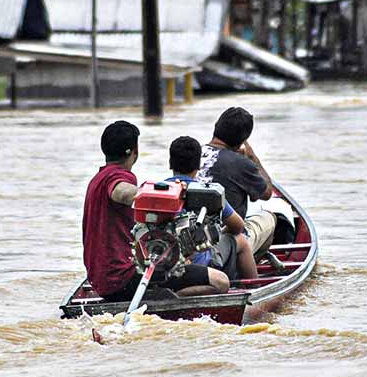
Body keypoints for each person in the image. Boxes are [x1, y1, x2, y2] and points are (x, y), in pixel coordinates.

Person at [82, 121, 228, 302]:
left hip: (101, 280)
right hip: (124, 278)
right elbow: (120, 191)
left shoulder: (96, 179)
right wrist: (165, 194)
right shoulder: (119, 177)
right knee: (221, 282)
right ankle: (163, 298)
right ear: (135, 150)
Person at [165, 136, 258, 280]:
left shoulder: (157, 190)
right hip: (201, 264)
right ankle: (254, 288)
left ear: (170, 163)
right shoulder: (208, 193)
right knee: (240, 240)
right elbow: (238, 226)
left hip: (165, 261)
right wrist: (217, 235)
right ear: (198, 165)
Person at [197, 107, 278, 260]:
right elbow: (267, 193)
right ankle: (244, 261)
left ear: (216, 127)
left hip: (192, 237)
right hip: (226, 239)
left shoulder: (193, 154)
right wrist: (252, 157)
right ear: (242, 141)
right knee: (270, 218)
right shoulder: (241, 163)